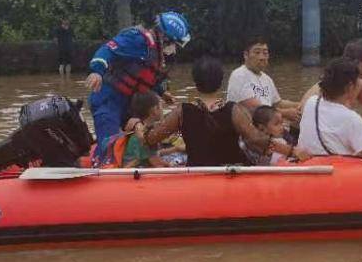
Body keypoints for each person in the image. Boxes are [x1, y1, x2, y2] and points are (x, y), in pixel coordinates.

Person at [136, 56, 310, 167]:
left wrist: (138, 126)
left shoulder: (182, 112)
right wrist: (292, 151)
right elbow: (258, 140)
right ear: (220, 83)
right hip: (232, 172)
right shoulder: (234, 110)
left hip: (199, 173)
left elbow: (150, 138)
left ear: (195, 82)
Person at [85, 11, 190, 161]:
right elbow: (107, 50)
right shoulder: (136, 39)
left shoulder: (157, 55)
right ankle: (104, 164)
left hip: (129, 104)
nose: (174, 49)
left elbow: (146, 78)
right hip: (108, 100)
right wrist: (96, 72)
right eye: (174, 44)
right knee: (110, 149)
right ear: (164, 38)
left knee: (135, 141)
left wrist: (162, 92)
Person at [226, 37, 301, 124]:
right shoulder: (239, 75)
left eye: (265, 53)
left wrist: (301, 105)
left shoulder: (267, 79)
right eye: (257, 52)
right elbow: (255, 109)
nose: (262, 57)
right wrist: (285, 113)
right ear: (246, 55)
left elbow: (278, 103)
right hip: (247, 130)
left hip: (268, 126)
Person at [119, 91, 171, 168]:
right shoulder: (145, 134)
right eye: (160, 106)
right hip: (131, 172)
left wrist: (176, 149)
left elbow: (154, 153)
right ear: (154, 110)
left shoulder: (143, 129)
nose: (162, 109)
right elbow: (158, 164)